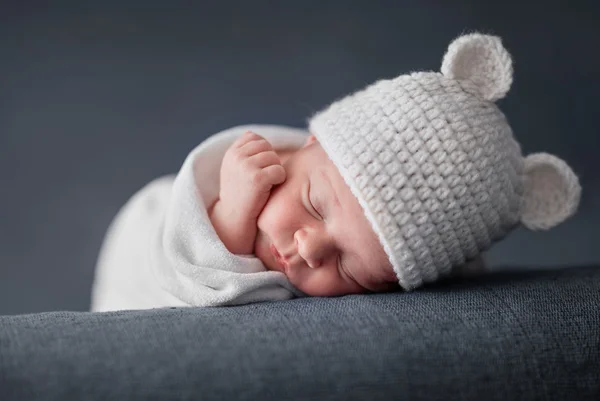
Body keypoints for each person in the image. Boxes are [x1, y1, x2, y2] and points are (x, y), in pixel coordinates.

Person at [90, 33, 581, 311]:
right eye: (313, 204)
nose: (308, 249)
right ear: (308, 145)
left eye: (351, 270)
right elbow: (177, 271)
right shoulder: (228, 179)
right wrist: (228, 217)